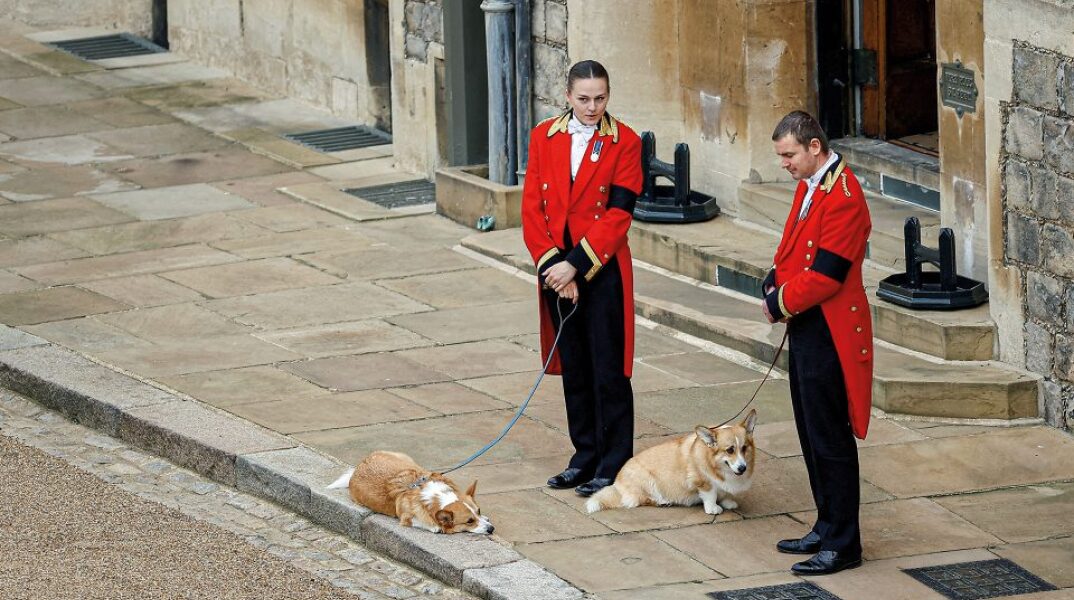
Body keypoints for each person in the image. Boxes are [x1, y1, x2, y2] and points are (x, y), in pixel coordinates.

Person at [520, 60, 643, 498]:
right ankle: (584, 455)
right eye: (585, 98)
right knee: (574, 366)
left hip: (602, 268)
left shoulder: (625, 142)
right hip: (556, 271)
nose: (593, 107)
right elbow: (533, 208)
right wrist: (556, 268)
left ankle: (615, 462)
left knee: (608, 369)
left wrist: (577, 265)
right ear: (568, 96)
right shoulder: (543, 137)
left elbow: (619, 214)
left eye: (601, 98)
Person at [762, 110, 873, 575]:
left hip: (830, 328)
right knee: (810, 430)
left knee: (830, 437)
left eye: (789, 155)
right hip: (808, 321)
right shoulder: (812, 185)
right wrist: (773, 281)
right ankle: (826, 525)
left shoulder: (844, 196)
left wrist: (778, 301)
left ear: (813, 147)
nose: (784, 164)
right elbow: (793, 251)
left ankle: (844, 543)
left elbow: (827, 276)